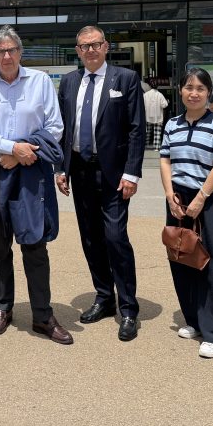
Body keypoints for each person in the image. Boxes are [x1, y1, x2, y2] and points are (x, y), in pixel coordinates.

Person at [0, 25, 73, 344]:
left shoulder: (40, 81)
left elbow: (55, 127)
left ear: (20, 52)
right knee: (0, 242)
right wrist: (12, 148)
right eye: (0, 51)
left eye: (12, 50)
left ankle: (42, 314)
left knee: (34, 242)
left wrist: (21, 152)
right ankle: (3, 306)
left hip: (31, 169)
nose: (6, 56)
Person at [56, 25, 145, 341]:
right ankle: (105, 297)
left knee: (115, 237)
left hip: (114, 174)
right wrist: (60, 168)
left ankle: (129, 308)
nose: (90, 50)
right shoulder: (69, 82)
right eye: (84, 46)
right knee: (91, 238)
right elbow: (62, 128)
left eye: (95, 44)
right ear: (77, 51)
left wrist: (132, 173)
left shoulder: (125, 79)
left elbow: (136, 129)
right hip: (80, 170)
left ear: (106, 47)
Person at [160, 67, 213, 359]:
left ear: (208, 93)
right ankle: (194, 319)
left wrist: (201, 197)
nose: (194, 93)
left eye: (200, 88)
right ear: (180, 90)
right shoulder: (172, 124)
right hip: (179, 199)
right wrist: (169, 194)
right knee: (183, 258)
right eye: (189, 87)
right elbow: (165, 160)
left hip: (210, 199)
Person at [143, 84, 168, 150]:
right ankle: (156, 147)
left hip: (147, 116)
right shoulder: (160, 95)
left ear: (150, 87)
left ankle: (146, 146)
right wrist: (167, 101)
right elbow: (164, 105)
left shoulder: (145, 95)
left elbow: (142, 105)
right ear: (157, 87)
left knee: (147, 132)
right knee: (157, 133)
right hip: (158, 117)